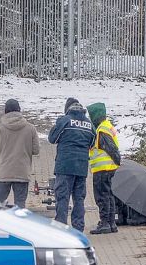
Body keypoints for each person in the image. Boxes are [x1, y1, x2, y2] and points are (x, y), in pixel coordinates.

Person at [47, 98, 95, 231]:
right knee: (79, 198)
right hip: (81, 168)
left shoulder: (65, 121)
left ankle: (61, 228)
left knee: (62, 197)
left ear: (67, 109)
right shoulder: (89, 124)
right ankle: (78, 228)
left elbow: (52, 139)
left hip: (65, 166)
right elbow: (92, 143)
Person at [0, 99, 40, 208]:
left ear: (5, 111)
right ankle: (19, 225)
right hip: (22, 173)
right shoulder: (31, 129)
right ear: (19, 110)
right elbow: (36, 150)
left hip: (3, 172)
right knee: (20, 207)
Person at [87, 102, 121, 235]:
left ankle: (105, 223)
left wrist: (117, 160)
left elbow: (111, 148)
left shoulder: (101, 130)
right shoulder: (106, 126)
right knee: (109, 195)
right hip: (109, 167)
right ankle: (111, 223)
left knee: (101, 196)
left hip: (102, 169)